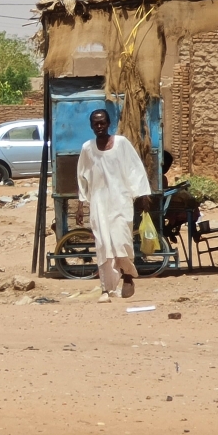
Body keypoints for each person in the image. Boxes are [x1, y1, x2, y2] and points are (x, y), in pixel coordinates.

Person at [75, 109, 152, 303]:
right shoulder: (87, 148)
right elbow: (82, 176)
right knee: (102, 244)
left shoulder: (122, 144)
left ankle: (127, 275)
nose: (99, 126)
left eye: (102, 122)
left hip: (121, 201)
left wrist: (142, 194)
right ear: (91, 126)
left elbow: (135, 169)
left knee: (121, 241)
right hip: (99, 204)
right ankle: (106, 289)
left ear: (108, 123)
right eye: (95, 123)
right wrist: (80, 204)